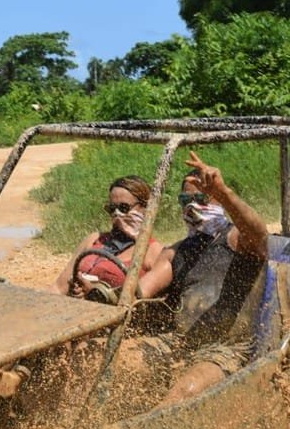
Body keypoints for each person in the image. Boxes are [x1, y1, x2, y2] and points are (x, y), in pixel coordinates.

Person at [137, 150, 270, 405]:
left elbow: (259, 233)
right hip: (178, 342)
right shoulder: (176, 251)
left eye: (202, 197)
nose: (192, 204)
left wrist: (224, 194)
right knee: (118, 361)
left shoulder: (237, 240)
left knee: (182, 394)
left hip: (225, 350)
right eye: (186, 198)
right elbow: (140, 290)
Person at [52, 175, 163, 298]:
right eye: (111, 208)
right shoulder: (94, 240)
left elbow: (149, 302)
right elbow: (59, 287)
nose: (117, 214)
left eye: (123, 208)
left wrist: (94, 293)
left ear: (145, 208)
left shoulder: (153, 251)